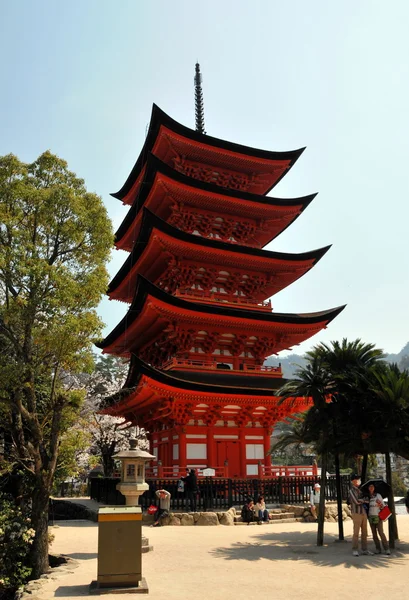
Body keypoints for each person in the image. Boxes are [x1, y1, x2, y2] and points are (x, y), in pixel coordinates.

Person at [349, 474, 372, 557]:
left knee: (365, 532)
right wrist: (363, 500)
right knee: (356, 532)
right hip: (356, 513)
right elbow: (356, 501)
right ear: (353, 481)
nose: (358, 480)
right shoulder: (351, 491)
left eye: (358, 479)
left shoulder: (361, 490)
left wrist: (362, 500)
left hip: (363, 513)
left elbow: (367, 500)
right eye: (356, 479)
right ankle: (355, 549)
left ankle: (365, 549)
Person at [366, 483, 390, 555]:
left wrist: (379, 504)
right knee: (374, 534)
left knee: (381, 532)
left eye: (372, 486)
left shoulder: (378, 495)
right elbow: (365, 506)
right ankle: (378, 548)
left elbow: (383, 506)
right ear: (368, 488)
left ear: (374, 488)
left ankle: (386, 548)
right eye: (369, 486)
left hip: (378, 516)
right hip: (371, 517)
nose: (371, 488)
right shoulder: (367, 497)